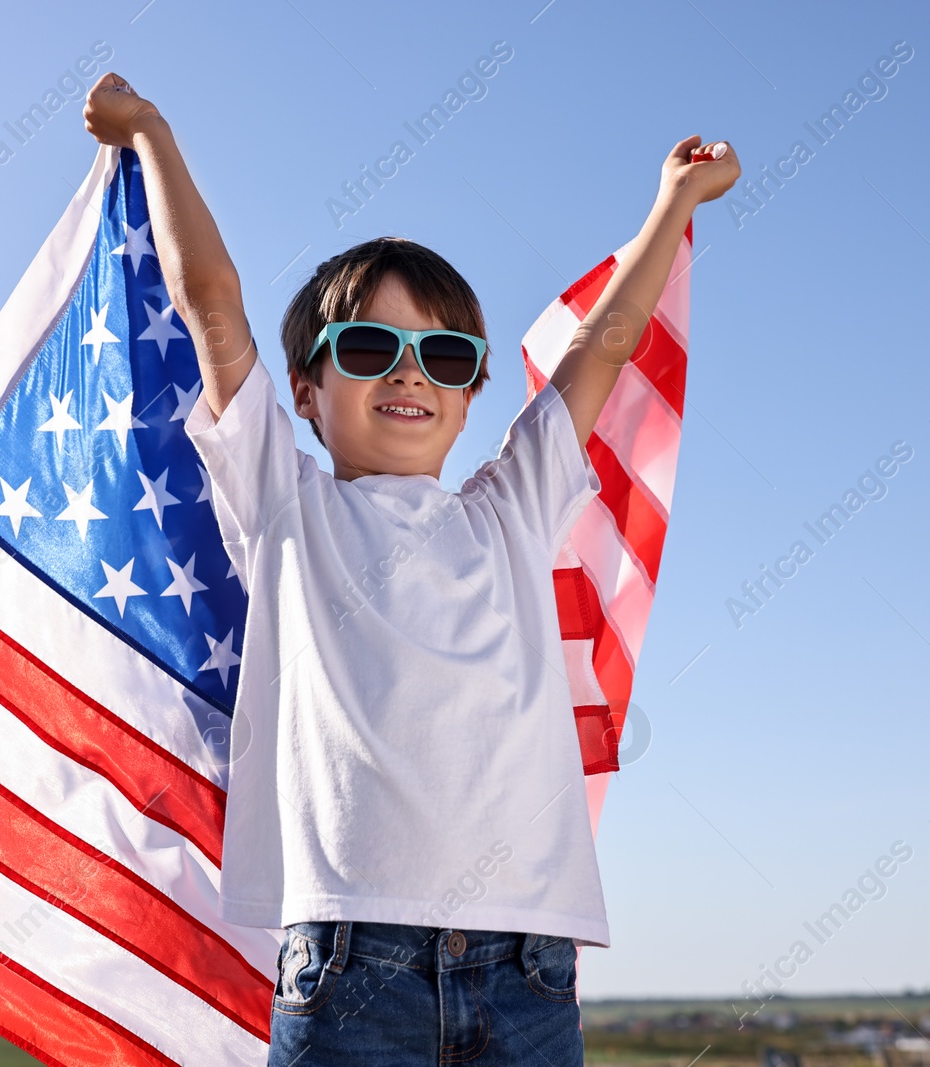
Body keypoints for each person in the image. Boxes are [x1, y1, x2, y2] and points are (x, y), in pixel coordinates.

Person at [82, 70, 738, 1066]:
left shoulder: (513, 509)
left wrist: (671, 203)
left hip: (529, 966)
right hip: (351, 968)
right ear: (305, 388)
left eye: (443, 353)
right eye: (372, 344)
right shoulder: (286, 503)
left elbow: (601, 349)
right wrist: (153, 137)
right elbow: (210, 297)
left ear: (473, 391)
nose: (408, 370)